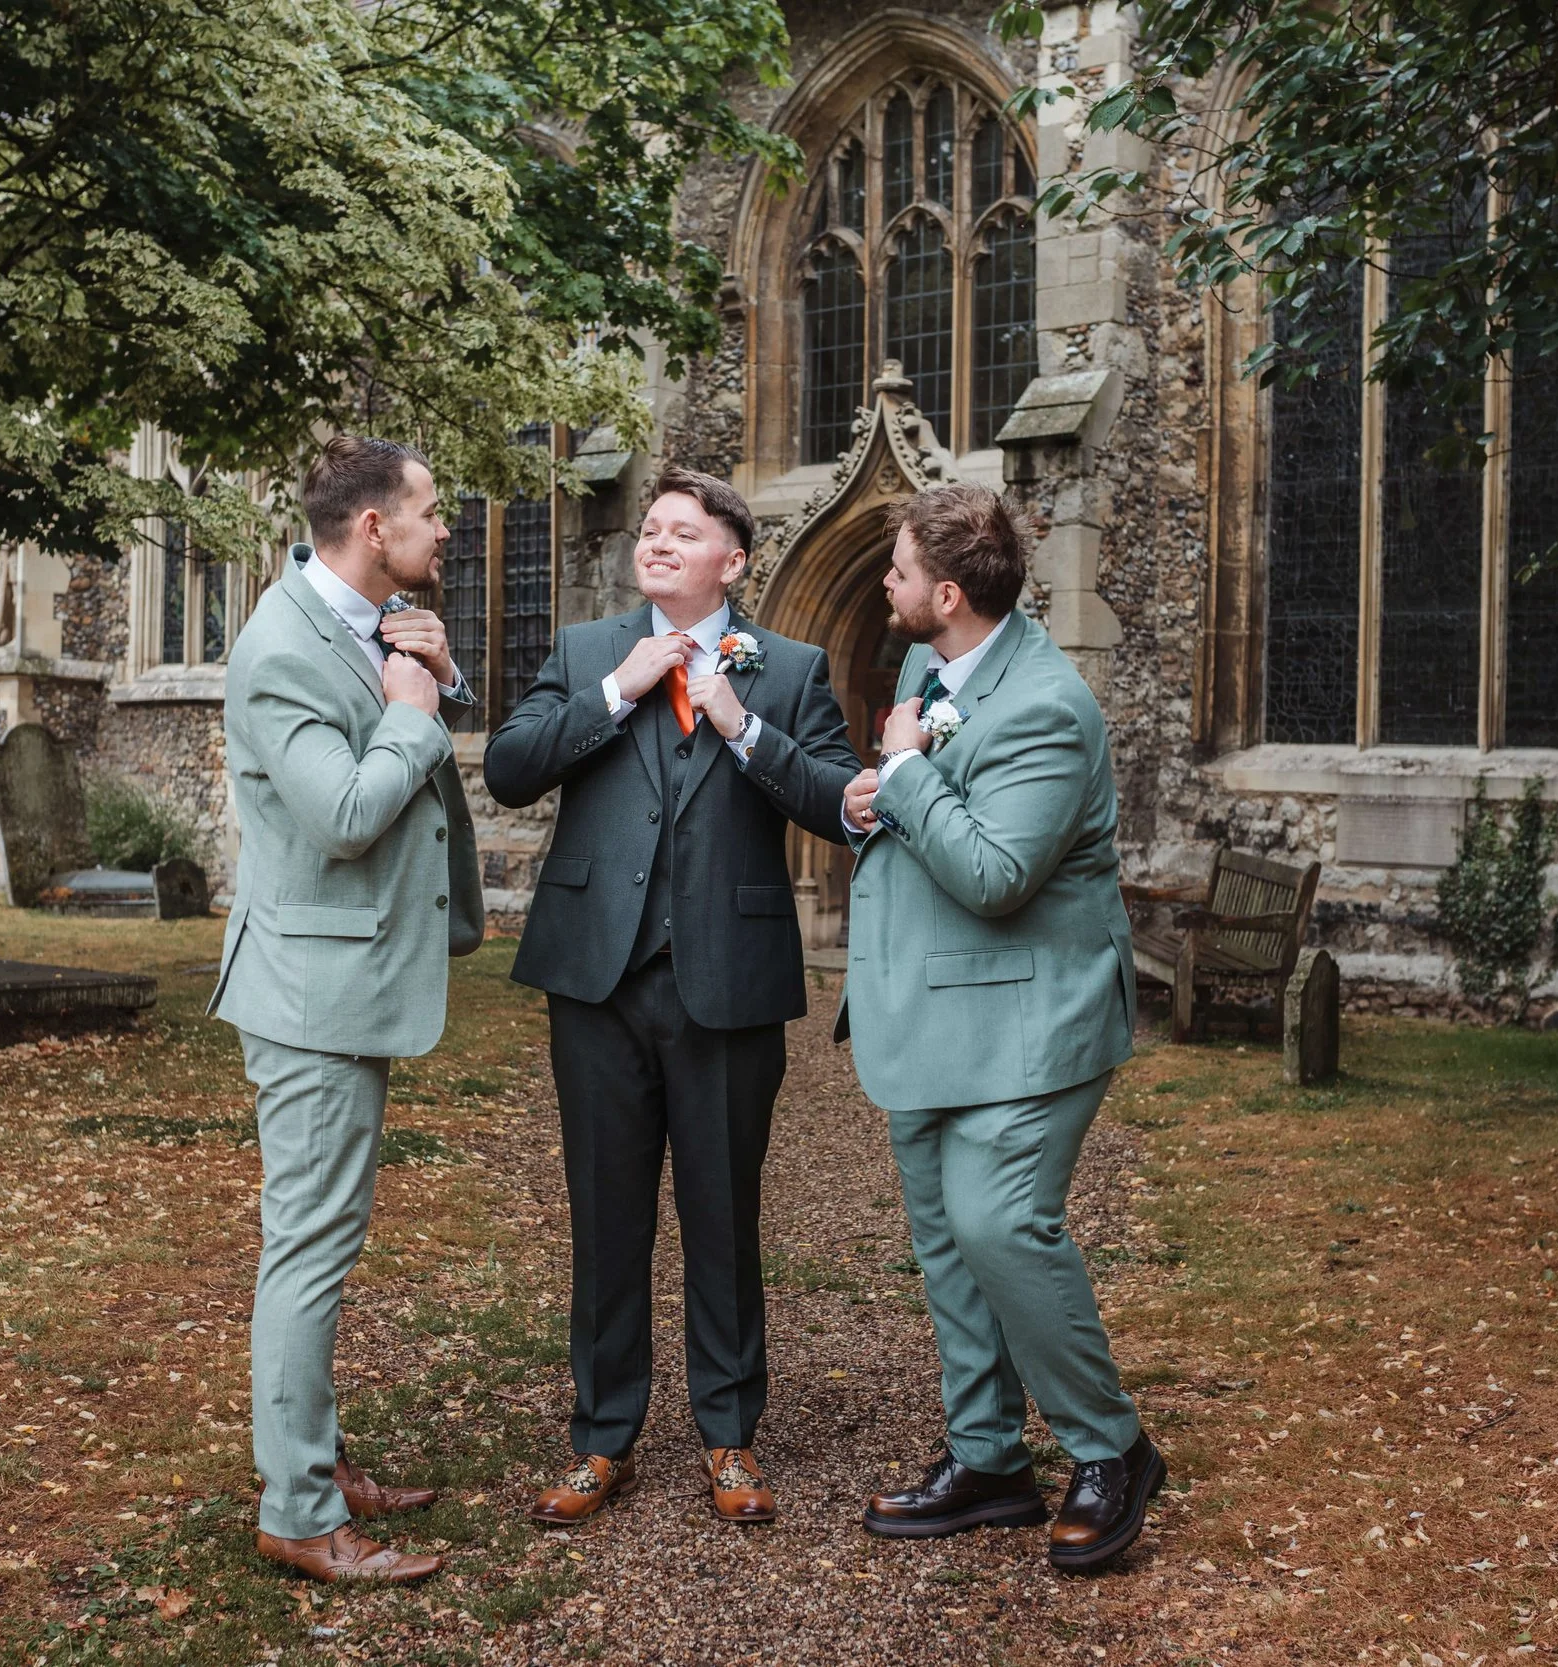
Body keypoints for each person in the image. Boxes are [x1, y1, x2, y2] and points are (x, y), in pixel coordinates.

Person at [483, 466, 861, 1527]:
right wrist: (619, 691)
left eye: (680, 532)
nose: (654, 542)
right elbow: (510, 770)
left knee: (723, 1215)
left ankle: (729, 1435)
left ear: (731, 561)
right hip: (596, 979)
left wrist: (743, 726)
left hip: (727, 983)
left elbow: (838, 804)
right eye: (648, 529)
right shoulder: (586, 653)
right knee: (604, 1218)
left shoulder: (789, 668)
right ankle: (601, 1436)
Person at [835, 483, 1164, 1574]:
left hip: (1036, 1008)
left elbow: (996, 872)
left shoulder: (1047, 708)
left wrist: (908, 770)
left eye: (892, 568)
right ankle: (987, 1461)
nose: (881, 582)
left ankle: (1111, 1446)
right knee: (944, 1237)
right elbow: (913, 817)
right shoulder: (933, 669)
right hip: (934, 1006)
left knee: (1000, 1219)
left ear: (943, 591)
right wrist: (872, 793)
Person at [211, 435, 484, 1585]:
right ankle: (300, 1510)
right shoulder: (279, 646)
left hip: (340, 979)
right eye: (429, 511)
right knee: (308, 1251)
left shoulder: (355, 621)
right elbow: (343, 813)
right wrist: (417, 708)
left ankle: (314, 1458)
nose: (443, 528)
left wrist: (432, 674)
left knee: (322, 1241)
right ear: (374, 527)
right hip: (310, 995)